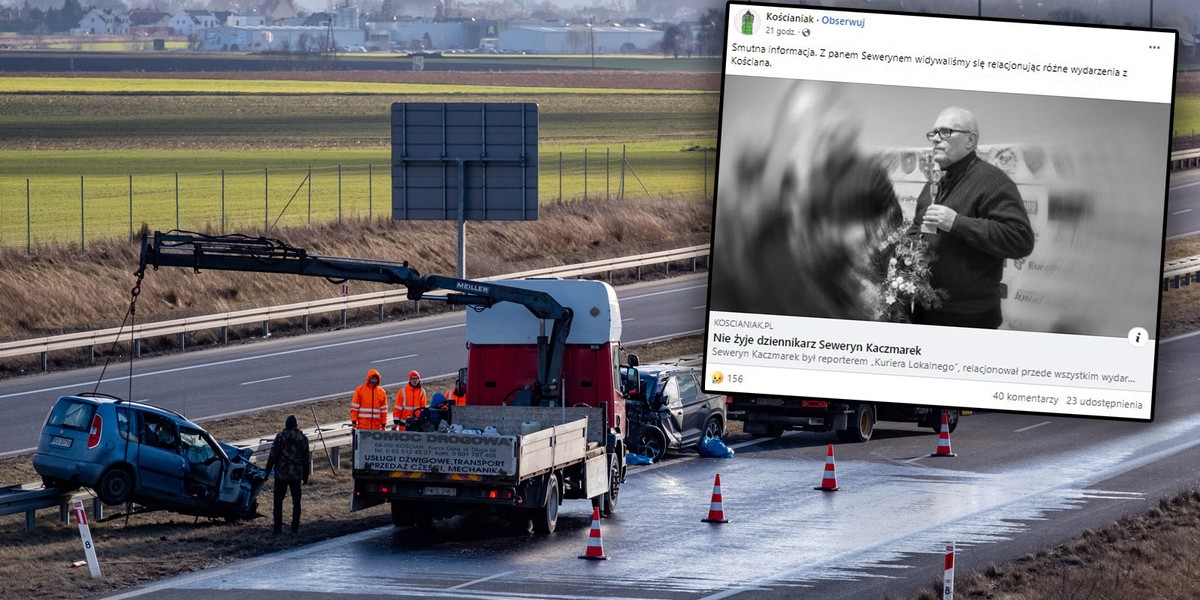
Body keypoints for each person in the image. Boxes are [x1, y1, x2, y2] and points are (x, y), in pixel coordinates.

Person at [907, 107, 1035, 329]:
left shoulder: (993, 182)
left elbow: (1020, 239)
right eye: (934, 133)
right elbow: (919, 225)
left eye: (945, 132)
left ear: (970, 140)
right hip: (924, 311)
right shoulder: (934, 182)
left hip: (969, 319)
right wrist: (905, 246)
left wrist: (957, 223)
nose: (936, 139)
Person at [263, 415, 310, 535]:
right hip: (296, 474)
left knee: (278, 502)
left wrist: (267, 472)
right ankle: (295, 529)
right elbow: (306, 459)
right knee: (296, 502)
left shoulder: (280, 437)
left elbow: (273, 456)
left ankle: (277, 528)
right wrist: (305, 476)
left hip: (281, 474)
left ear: (286, 425)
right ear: (296, 425)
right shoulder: (302, 438)